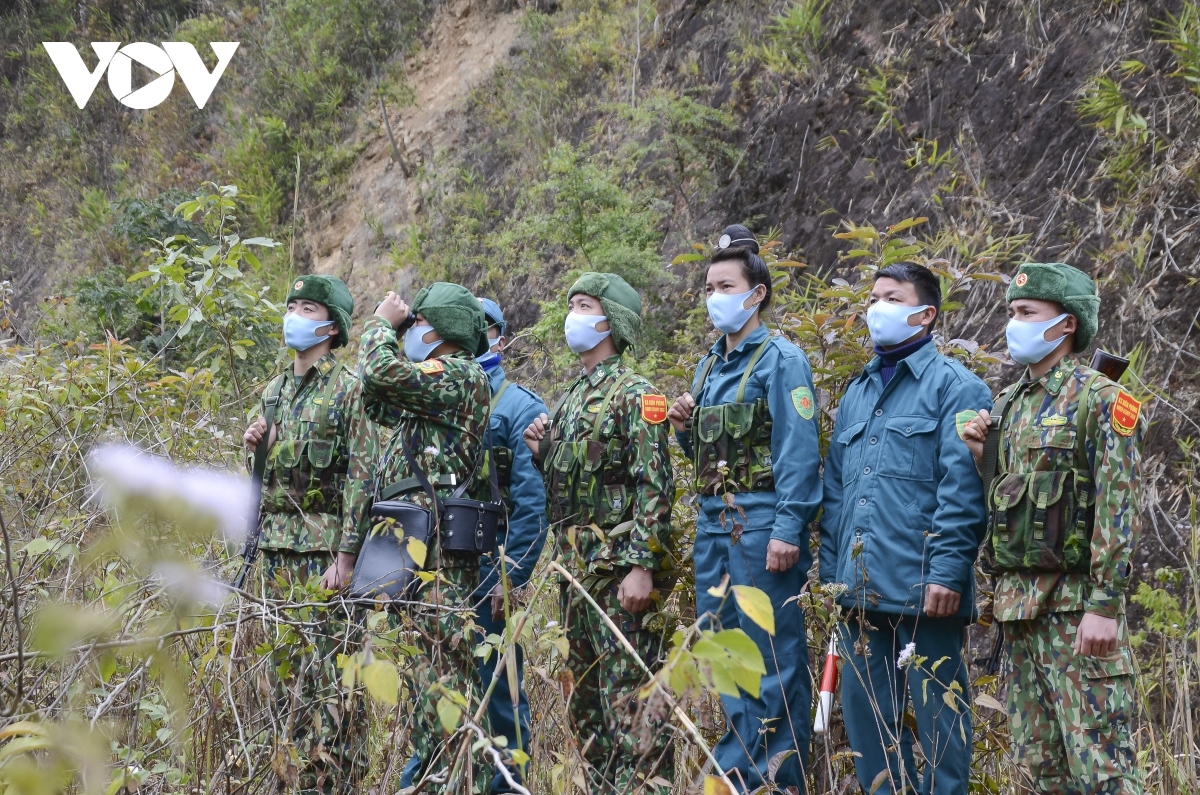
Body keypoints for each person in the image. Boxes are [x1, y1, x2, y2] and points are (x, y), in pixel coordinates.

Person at [961, 262, 1144, 794]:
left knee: (1102, 767)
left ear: (1065, 325)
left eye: (1026, 312)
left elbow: (1116, 503)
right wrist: (983, 456)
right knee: (1042, 768)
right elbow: (1011, 506)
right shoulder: (1008, 406)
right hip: (1019, 613)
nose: (1012, 323)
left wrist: (1104, 604)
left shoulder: (1103, 399)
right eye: (1011, 312)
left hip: (1076, 611)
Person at [820, 262, 991, 795]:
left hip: (926, 593)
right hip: (859, 596)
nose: (876, 309)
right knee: (870, 735)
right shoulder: (857, 393)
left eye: (891, 298)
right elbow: (835, 495)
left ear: (926, 313)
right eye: (873, 298)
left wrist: (947, 570)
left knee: (943, 729)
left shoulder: (957, 388)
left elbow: (962, 488)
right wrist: (831, 581)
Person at [666, 225, 821, 792]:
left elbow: (798, 451)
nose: (714, 297)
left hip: (761, 531)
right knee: (724, 655)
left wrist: (788, 529)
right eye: (708, 286)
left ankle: (776, 778)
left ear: (756, 293)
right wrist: (684, 430)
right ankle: (737, 773)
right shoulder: (708, 366)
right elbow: (711, 458)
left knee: (772, 661)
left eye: (725, 285)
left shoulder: (782, 360)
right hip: (713, 528)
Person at [522, 272, 677, 793]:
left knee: (633, 708)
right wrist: (541, 451)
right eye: (572, 304)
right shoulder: (568, 398)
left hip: (617, 579)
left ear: (610, 320)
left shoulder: (638, 394)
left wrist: (641, 567)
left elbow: (656, 486)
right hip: (575, 577)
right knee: (587, 710)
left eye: (583, 305)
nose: (573, 315)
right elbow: (576, 482)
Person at [341, 282, 493, 792]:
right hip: (416, 546)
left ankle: (454, 781)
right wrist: (392, 334)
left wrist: (383, 325)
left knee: (443, 681)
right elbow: (375, 393)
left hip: (443, 557)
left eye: (418, 326)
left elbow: (382, 370)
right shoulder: (429, 387)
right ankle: (435, 780)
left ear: (440, 329)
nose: (411, 335)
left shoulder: (461, 376)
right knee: (425, 679)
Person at [398, 298, 549, 793]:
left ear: (497, 338)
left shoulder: (518, 406)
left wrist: (510, 576)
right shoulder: (437, 395)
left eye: (483, 330)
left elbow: (531, 505)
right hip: (437, 568)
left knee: (498, 696)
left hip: (489, 573)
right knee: (435, 691)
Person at [241, 274, 377, 795]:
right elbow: (266, 481)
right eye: (292, 305)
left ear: (331, 325)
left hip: (322, 559)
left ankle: (336, 783)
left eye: (308, 308)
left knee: (332, 686)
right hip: (275, 554)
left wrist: (346, 558)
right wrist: (254, 444)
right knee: (283, 684)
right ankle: (288, 780)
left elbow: (363, 476)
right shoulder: (274, 391)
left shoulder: (350, 389)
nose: (295, 315)